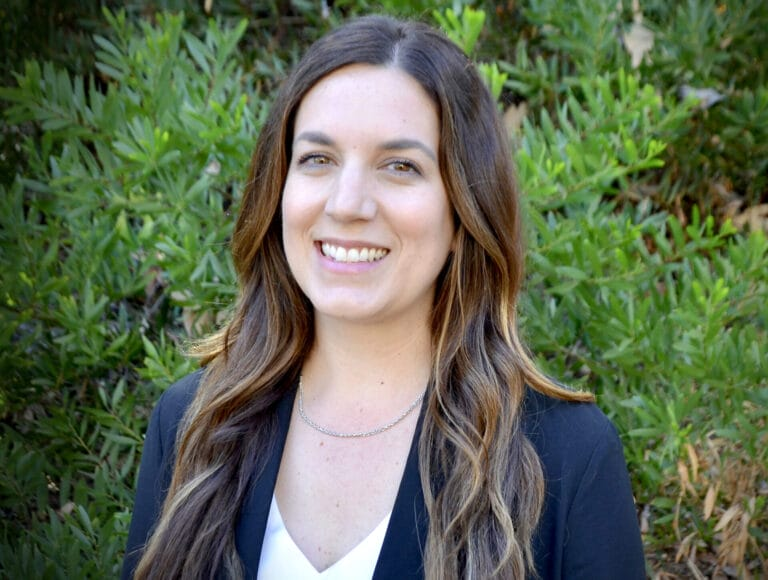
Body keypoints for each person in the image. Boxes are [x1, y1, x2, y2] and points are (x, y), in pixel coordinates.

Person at [122, 14, 646, 580]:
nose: (348, 204)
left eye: (400, 166)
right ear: (278, 190)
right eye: (317, 159)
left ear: (466, 209)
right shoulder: (193, 422)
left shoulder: (568, 457)